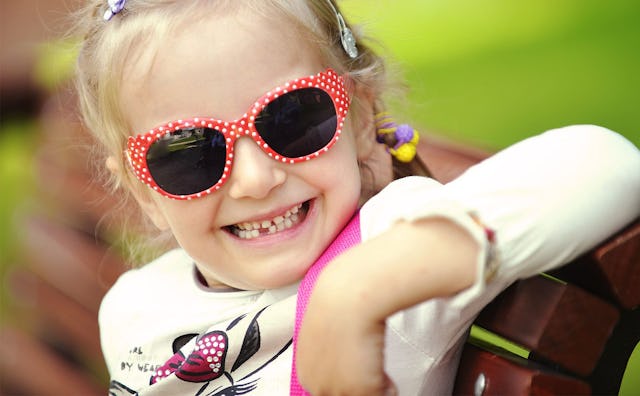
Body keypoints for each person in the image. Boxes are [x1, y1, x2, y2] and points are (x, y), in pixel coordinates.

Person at [72, 0, 640, 394]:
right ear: (142, 190)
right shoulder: (133, 305)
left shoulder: (389, 251)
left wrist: (359, 288)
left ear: (362, 117)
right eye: (188, 153)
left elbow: (609, 165)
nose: (255, 179)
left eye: (293, 117)